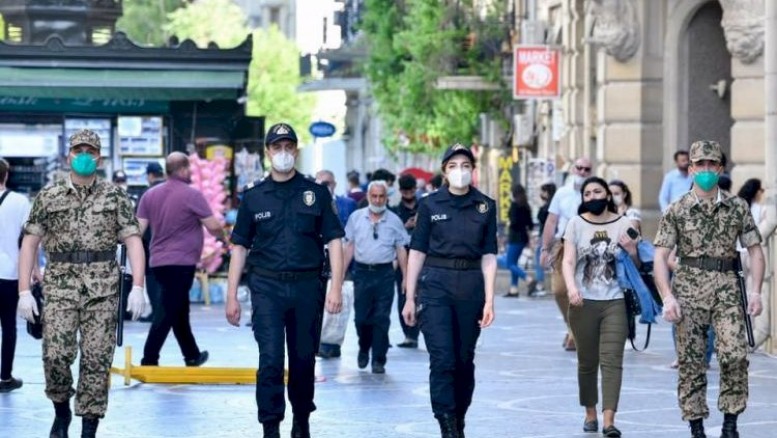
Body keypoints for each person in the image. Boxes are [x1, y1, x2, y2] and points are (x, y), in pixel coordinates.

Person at [16, 129, 146, 438]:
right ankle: (61, 411)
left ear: (99, 157)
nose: (83, 156)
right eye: (78, 150)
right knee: (56, 355)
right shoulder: (49, 195)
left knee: (97, 360)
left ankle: (89, 426)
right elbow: (30, 242)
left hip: (103, 287)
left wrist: (139, 286)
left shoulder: (115, 196)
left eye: (89, 150)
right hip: (60, 285)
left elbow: (133, 240)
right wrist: (24, 291)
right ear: (68, 156)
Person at [225, 122, 345, 438]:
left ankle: (301, 419)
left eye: (288, 147)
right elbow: (239, 247)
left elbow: (335, 241)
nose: (282, 153)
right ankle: (270, 425)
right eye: (276, 147)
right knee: (271, 359)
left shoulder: (315, 193)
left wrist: (335, 287)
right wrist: (231, 295)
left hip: (308, 287)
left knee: (304, 360)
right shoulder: (253, 198)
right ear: (268, 152)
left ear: (295, 150)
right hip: (267, 287)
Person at [653, 140, 764, 438]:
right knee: (691, 361)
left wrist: (755, 292)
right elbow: (661, 257)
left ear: (720, 168)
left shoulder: (737, 207)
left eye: (711, 164)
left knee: (735, 354)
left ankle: (730, 422)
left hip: (728, 288)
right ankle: (696, 426)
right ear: (690, 169)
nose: (705, 170)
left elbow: (754, 250)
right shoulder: (677, 210)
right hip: (688, 288)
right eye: (699, 165)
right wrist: (667, 297)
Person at [401, 144, 497, 438]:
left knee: (463, 359)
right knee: (442, 358)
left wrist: (490, 299)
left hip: (470, 286)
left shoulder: (485, 205)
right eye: (453, 165)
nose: (460, 171)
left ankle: (459, 416)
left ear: (473, 169)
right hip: (436, 285)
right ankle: (446, 423)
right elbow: (417, 252)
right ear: (444, 171)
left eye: (465, 165)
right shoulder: (430, 205)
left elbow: (489, 255)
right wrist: (409, 297)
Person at [561, 176, 638, 437]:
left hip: (615, 301)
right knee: (587, 362)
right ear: (583, 199)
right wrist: (572, 289)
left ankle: (609, 420)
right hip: (582, 302)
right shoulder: (575, 224)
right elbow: (568, 262)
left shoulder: (624, 223)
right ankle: (590, 413)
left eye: (598, 191)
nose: (593, 197)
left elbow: (638, 266)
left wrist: (632, 250)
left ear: (608, 195)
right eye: (588, 193)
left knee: (612, 361)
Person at [136, 152, 221, 367]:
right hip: (181, 263)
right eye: (189, 168)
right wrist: (225, 238)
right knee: (167, 310)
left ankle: (191, 355)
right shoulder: (192, 195)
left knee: (179, 309)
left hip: (158, 262)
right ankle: (149, 358)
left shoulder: (149, 195)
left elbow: (137, 230)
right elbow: (213, 226)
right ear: (183, 169)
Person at [343, 180, 409, 373]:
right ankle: (364, 348)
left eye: (381, 196)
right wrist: (339, 277)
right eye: (374, 196)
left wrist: (405, 277)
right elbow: (348, 248)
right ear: (368, 196)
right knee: (361, 318)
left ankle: (379, 359)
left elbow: (401, 251)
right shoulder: (356, 218)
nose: (378, 200)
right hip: (362, 274)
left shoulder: (394, 221)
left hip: (385, 274)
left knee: (381, 318)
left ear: (386, 198)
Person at [540, 157, 593, 351]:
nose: (582, 172)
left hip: (587, 248)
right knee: (560, 291)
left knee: (583, 292)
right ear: (572, 170)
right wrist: (545, 249)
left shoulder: (595, 194)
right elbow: (551, 222)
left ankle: (577, 331)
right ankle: (571, 326)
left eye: (586, 169)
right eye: (579, 168)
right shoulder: (562, 193)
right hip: (562, 246)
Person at [0, 158, 34, 393]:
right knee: (8, 326)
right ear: (7, 174)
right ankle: (4, 377)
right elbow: (30, 240)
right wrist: (34, 270)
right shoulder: (20, 201)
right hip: (9, 273)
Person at [314, 169, 356, 359]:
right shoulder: (308, 202)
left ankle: (332, 342)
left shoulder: (348, 204)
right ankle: (317, 340)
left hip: (341, 255)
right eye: (321, 183)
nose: (325, 187)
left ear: (335, 184)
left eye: (328, 183)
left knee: (340, 297)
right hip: (315, 257)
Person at [392, 173, 421, 348]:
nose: (408, 194)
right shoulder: (395, 211)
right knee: (404, 295)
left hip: (423, 258)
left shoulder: (425, 208)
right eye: (405, 191)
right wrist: (405, 226)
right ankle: (409, 335)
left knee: (423, 295)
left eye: (411, 190)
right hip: (403, 260)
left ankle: (421, 330)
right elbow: (392, 234)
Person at [137, 162, 166, 323]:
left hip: (151, 242)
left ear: (150, 175)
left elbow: (140, 222)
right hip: (171, 242)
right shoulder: (173, 191)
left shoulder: (147, 193)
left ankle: (157, 312)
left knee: (153, 277)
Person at [504, 183, 537, 297]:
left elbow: (513, 222)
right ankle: (514, 289)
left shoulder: (514, 205)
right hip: (523, 238)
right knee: (514, 263)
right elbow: (531, 225)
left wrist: (509, 223)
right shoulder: (526, 206)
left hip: (514, 237)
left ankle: (527, 279)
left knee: (509, 264)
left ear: (514, 193)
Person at [533, 182, 555, 297]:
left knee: (539, 259)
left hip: (545, 235)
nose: (541, 194)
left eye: (543, 191)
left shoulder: (547, 207)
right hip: (553, 235)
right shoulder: (554, 206)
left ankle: (540, 285)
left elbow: (543, 220)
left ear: (547, 192)